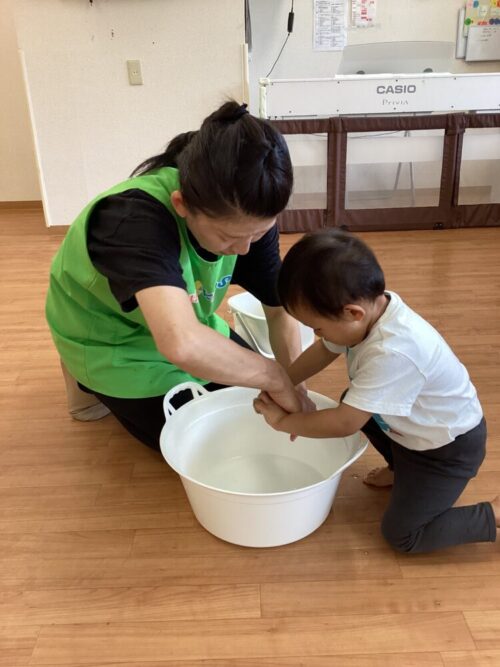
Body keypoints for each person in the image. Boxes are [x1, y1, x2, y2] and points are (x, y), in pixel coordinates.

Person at [46, 100, 306, 450]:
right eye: (228, 237)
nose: (245, 249)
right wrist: (272, 374)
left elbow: (278, 310)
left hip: (187, 324)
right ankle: (84, 378)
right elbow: (180, 342)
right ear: (182, 204)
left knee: (256, 413)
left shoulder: (248, 214)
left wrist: (295, 383)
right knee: (207, 444)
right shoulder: (132, 220)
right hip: (112, 342)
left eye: (259, 233)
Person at [254, 229, 499, 554]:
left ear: (353, 313)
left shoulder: (394, 351)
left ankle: (494, 513)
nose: (318, 335)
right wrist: (282, 380)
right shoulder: (369, 309)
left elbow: (345, 423)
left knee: (402, 535)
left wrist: (283, 422)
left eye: (318, 327)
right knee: (352, 401)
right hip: (412, 433)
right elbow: (325, 350)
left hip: (446, 453)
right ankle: (400, 468)